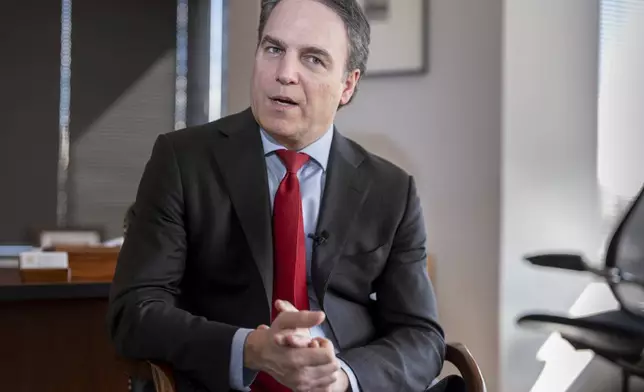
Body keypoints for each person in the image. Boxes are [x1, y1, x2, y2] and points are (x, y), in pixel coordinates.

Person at [108, 0, 456, 391]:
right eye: (273, 49)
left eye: (313, 59)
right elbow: (134, 312)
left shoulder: (391, 191)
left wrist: (343, 378)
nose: (284, 74)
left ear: (348, 85)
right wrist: (250, 349)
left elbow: (422, 337)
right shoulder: (183, 161)